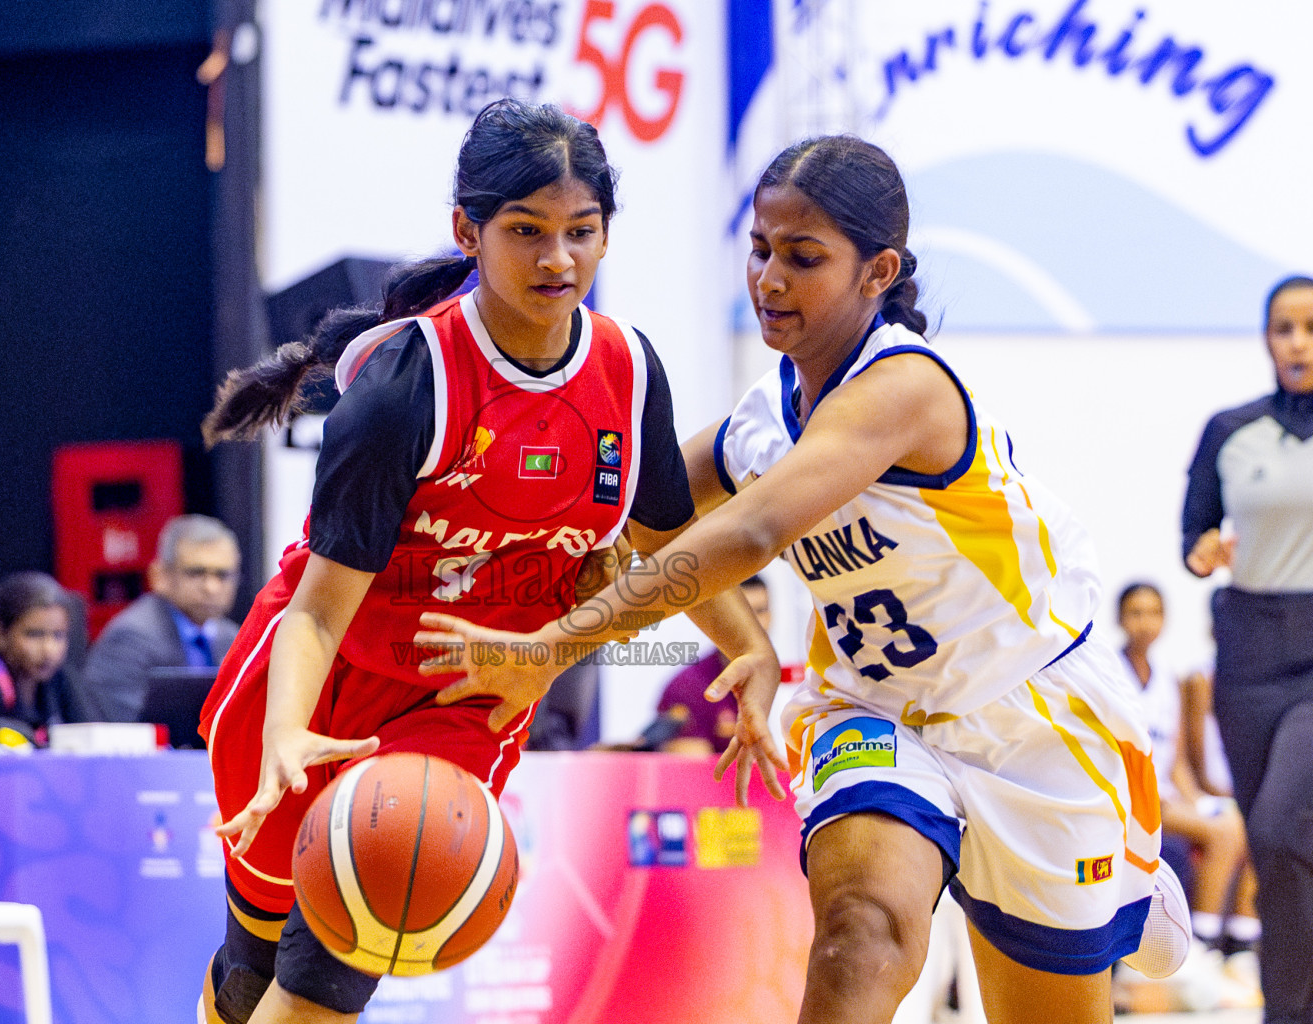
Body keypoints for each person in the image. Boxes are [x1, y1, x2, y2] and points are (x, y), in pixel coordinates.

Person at [417, 135, 1191, 1024]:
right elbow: (636, 505)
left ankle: (1131, 878)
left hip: (1031, 712)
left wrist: (552, 649)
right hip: (873, 706)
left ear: (879, 271)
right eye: (759, 250)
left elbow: (746, 530)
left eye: (803, 257)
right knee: (858, 933)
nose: (769, 279)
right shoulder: (764, 413)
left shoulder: (907, 387)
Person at [194, 99, 781, 1024]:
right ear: (468, 231)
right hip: (318, 684)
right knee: (248, 974)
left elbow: (668, 543)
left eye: (582, 232)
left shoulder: (627, 373)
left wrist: (745, 647)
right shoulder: (403, 391)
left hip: (467, 698)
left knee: (335, 961)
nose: (559, 260)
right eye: (527, 232)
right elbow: (315, 611)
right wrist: (284, 735)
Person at [1182, 273, 1313, 1024]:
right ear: (1267, 338)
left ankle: (1285, 1013)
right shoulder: (1231, 430)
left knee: (1276, 824)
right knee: (1278, 848)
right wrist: (1200, 553)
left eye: (1310, 327)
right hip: (1248, 653)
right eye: (1284, 328)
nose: (1297, 342)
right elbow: (1192, 532)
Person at [1115, 582, 1257, 954]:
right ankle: (1201, 942)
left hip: (1167, 794)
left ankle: (1240, 939)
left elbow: (1176, 760)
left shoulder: (1168, 679)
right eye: (1136, 612)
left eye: (1154, 613)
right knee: (1225, 834)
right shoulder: (1110, 675)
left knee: (1245, 822)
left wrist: (1196, 800)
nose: (1145, 623)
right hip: (1128, 794)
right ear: (1119, 618)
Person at [78, 514, 242, 723]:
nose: (211, 587)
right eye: (196, 573)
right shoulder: (131, 637)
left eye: (222, 575)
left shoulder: (235, 639)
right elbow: (126, 726)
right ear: (160, 576)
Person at [0, 571, 91, 743]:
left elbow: (89, 738)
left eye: (58, 635)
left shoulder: (62, 680)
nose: (48, 650)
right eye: (34, 635)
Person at [652, 575, 771, 754]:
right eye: (744, 614)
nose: (754, 624)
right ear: (720, 617)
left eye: (760, 611)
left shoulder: (789, 678)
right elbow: (694, 772)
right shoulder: (688, 686)